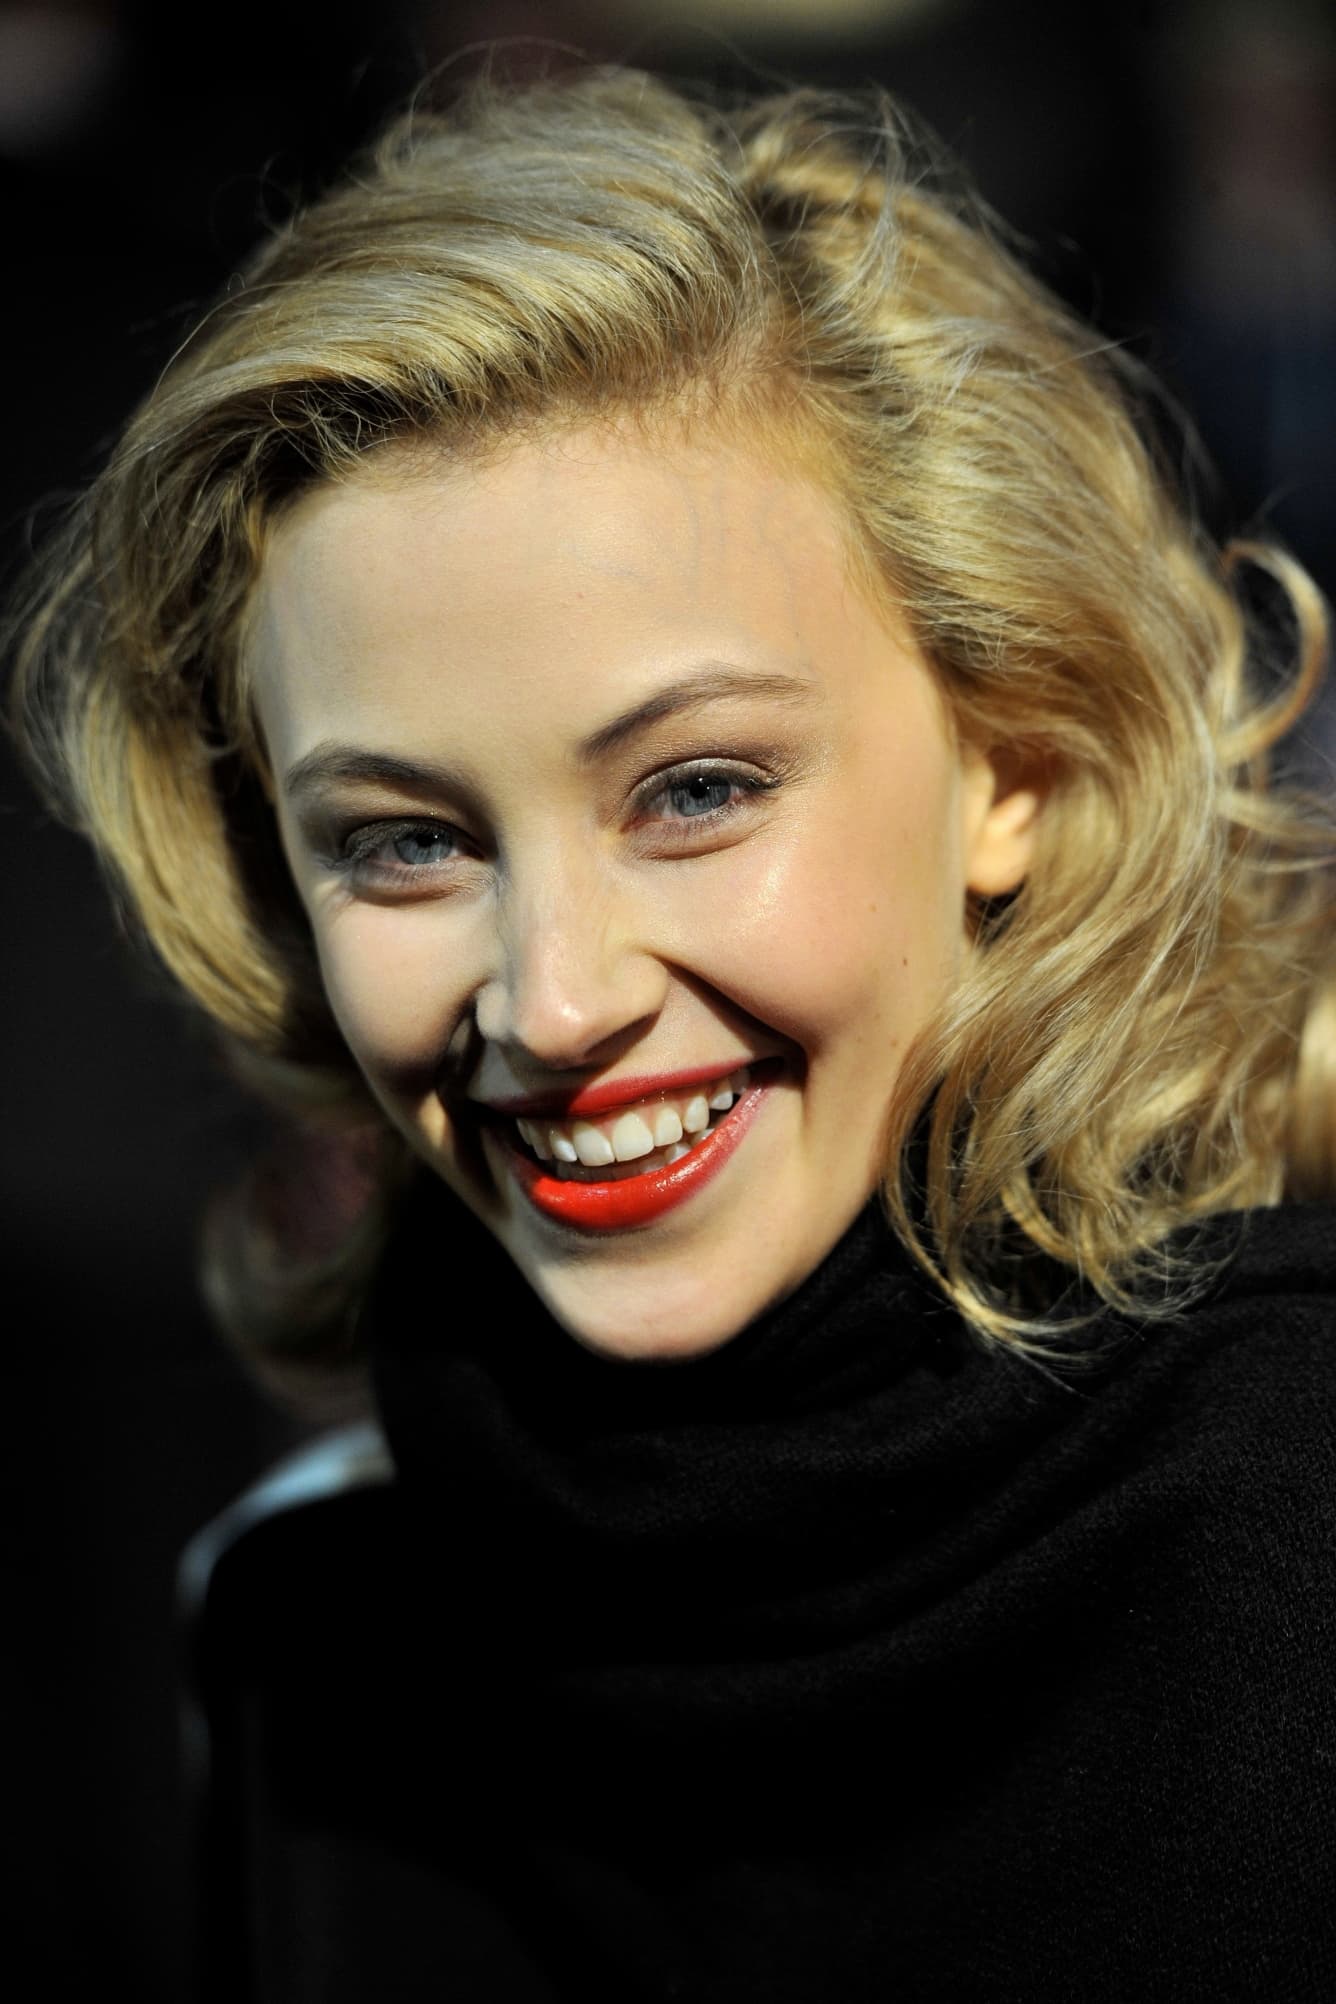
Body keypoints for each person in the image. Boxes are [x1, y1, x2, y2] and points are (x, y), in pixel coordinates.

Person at [8, 60, 1336, 2002]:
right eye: (403, 841)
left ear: (1016, 763)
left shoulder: (1290, 1530)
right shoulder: (304, 1638)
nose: (553, 1002)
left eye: (696, 790)